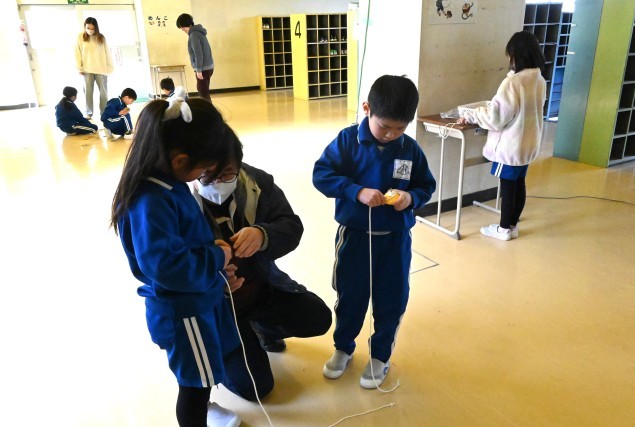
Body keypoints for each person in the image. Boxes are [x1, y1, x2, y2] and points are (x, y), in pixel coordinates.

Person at [110, 97, 242, 427]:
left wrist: (211, 249)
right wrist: (217, 256)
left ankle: (206, 409)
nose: (204, 176)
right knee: (194, 386)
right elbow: (167, 266)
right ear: (180, 159)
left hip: (195, 302)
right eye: (203, 169)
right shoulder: (152, 199)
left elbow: (181, 240)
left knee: (202, 375)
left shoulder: (169, 182)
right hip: (184, 312)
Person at [312, 75, 436, 389]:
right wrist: (355, 191)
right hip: (354, 236)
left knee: (392, 299)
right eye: (384, 127)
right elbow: (321, 175)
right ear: (367, 109)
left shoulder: (409, 148)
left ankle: (380, 355)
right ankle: (343, 348)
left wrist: (411, 198)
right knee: (350, 296)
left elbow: (426, 185)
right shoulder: (347, 141)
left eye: (400, 128)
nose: (391, 134)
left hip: (395, 240)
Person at [192, 134, 332, 401]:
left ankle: (260, 328)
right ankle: (226, 346)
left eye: (227, 173)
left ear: (239, 164)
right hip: (219, 309)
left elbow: (291, 226)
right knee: (256, 388)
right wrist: (214, 278)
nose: (218, 182)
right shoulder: (182, 200)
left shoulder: (257, 183)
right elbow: (171, 267)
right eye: (208, 174)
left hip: (260, 288)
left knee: (318, 317)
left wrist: (263, 234)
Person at [457, 31, 546, 241]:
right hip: (528, 144)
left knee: (507, 187)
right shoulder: (539, 79)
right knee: (519, 184)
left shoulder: (513, 83)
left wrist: (472, 114)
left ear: (516, 55)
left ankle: (504, 229)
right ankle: (512, 226)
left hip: (510, 145)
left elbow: (496, 118)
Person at [75, 17, 113, 118]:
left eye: (92, 28)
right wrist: (79, 67)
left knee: (103, 93)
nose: (90, 30)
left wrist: (109, 67)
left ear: (96, 28)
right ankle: (89, 112)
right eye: (88, 28)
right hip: (87, 69)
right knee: (88, 92)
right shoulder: (80, 37)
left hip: (101, 69)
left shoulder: (101, 37)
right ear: (85, 27)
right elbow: (77, 53)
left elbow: (107, 53)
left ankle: (104, 112)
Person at [176, 13, 214, 103]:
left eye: (183, 27)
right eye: (181, 28)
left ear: (189, 25)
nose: (183, 30)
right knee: (204, 91)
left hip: (203, 68)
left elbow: (198, 54)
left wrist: (199, 70)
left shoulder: (194, 35)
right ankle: (208, 108)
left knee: (203, 92)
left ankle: (208, 109)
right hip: (208, 67)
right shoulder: (199, 33)